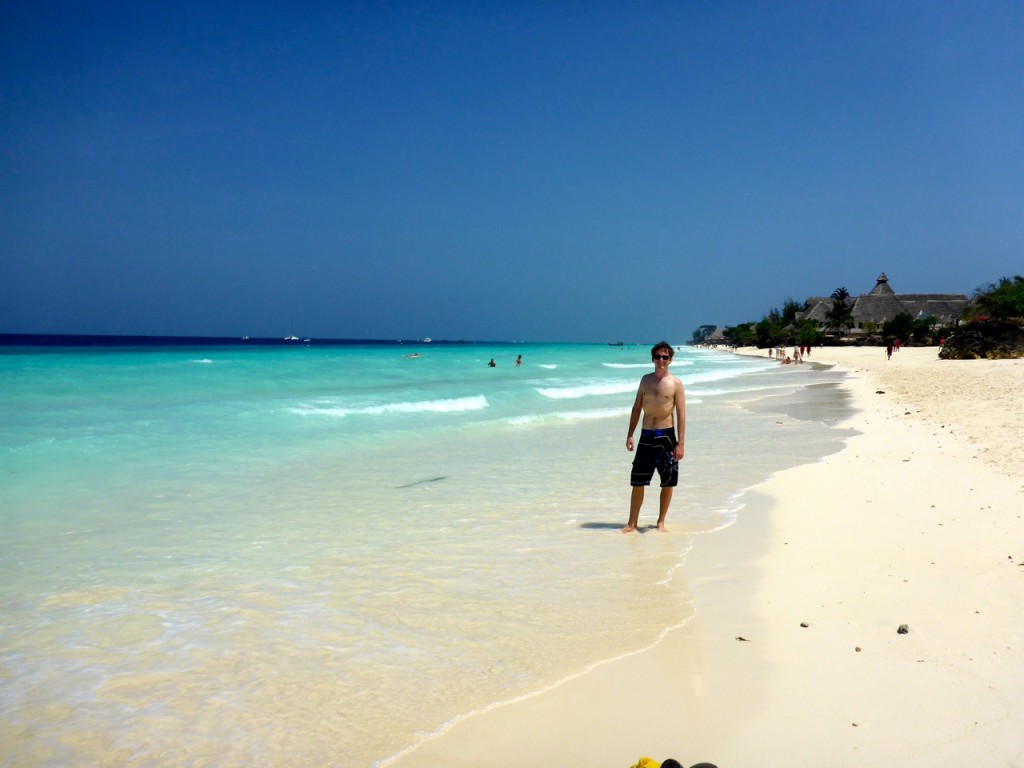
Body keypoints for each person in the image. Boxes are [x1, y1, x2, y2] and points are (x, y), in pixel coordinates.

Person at [622, 341, 686, 533]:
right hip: (646, 435)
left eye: (665, 357)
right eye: (658, 357)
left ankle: (661, 522)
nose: (661, 360)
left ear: (670, 360)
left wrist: (680, 444)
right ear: (653, 359)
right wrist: (630, 434)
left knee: (668, 481)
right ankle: (632, 523)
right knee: (637, 480)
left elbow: (682, 415)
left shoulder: (676, 384)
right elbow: (636, 408)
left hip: (666, 437)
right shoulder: (645, 381)